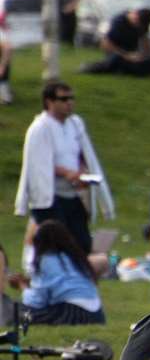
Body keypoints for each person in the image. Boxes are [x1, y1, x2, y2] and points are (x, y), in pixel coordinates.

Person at [14, 80, 111, 263]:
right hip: (49, 197)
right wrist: (67, 173)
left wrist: (82, 173)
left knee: (82, 240)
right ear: (49, 102)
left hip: (70, 193)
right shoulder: (40, 128)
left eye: (71, 98)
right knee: (56, 242)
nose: (69, 102)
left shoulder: (75, 124)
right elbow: (39, 164)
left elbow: (83, 154)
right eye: (63, 98)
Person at [13, 218, 101, 325]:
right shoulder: (75, 257)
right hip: (97, 314)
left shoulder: (46, 259)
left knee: (20, 312)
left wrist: (23, 286)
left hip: (73, 312)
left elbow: (36, 301)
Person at [89, 7, 150, 76]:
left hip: (135, 57)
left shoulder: (142, 24)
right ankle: (146, 70)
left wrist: (144, 56)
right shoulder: (119, 22)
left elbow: (146, 42)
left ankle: (141, 70)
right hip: (120, 56)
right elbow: (105, 44)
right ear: (136, 16)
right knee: (117, 59)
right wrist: (127, 55)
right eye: (137, 23)